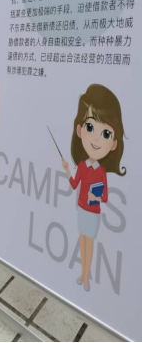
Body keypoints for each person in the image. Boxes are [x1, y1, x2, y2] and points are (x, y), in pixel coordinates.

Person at [61, 84, 126, 293]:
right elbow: (74, 184)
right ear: (80, 130)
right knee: (82, 241)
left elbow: (104, 197)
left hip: (93, 212)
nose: (97, 139)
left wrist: (94, 196)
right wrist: (67, 170)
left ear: (114, 143)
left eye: (106, 133)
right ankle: (83, 273)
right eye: (90, 127)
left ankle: (87, 276)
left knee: (90, 243)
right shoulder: (81, 166)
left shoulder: (101, 172)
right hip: (81, 210)